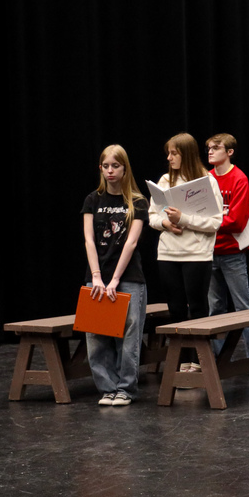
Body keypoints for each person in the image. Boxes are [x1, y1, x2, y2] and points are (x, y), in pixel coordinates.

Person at [81, 144, 149, 406]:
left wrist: (116, 279)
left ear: (124, 169)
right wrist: (97, 277)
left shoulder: (137, 201)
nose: (110, 171)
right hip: (97, 276)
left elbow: (131, 243)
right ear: (101, 168)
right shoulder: (92, 200)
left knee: (129, 334)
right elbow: (88, 240)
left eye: (115, 166)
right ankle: (107, 388)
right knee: (96, 336)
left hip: (128, 276)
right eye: (106, 166)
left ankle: (125, 389)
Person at [148, 133, 223, 370]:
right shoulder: (164, 180)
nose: (169, 158)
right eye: (168, 153)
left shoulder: (207, 181)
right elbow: (152, 215)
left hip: (196, 255)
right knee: (176, 309)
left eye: (174, 153)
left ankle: (197, 360)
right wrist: (166, 223)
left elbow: (215, 222)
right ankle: (181, 362)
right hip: (168, 254)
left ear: (186, 154)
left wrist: (184, 219)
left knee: (198, 308)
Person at [205, 133, 249, 369]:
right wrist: (215, 219)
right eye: (208, 148)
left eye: (216, 148)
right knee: (215, 308)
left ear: (229, 152)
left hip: (232, 253)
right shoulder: (207, 178)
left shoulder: (239, 179)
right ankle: (218, 361)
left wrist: (210, 221)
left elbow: (238, 221)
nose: (210, 152)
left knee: (243, 305)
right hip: (210, 252)